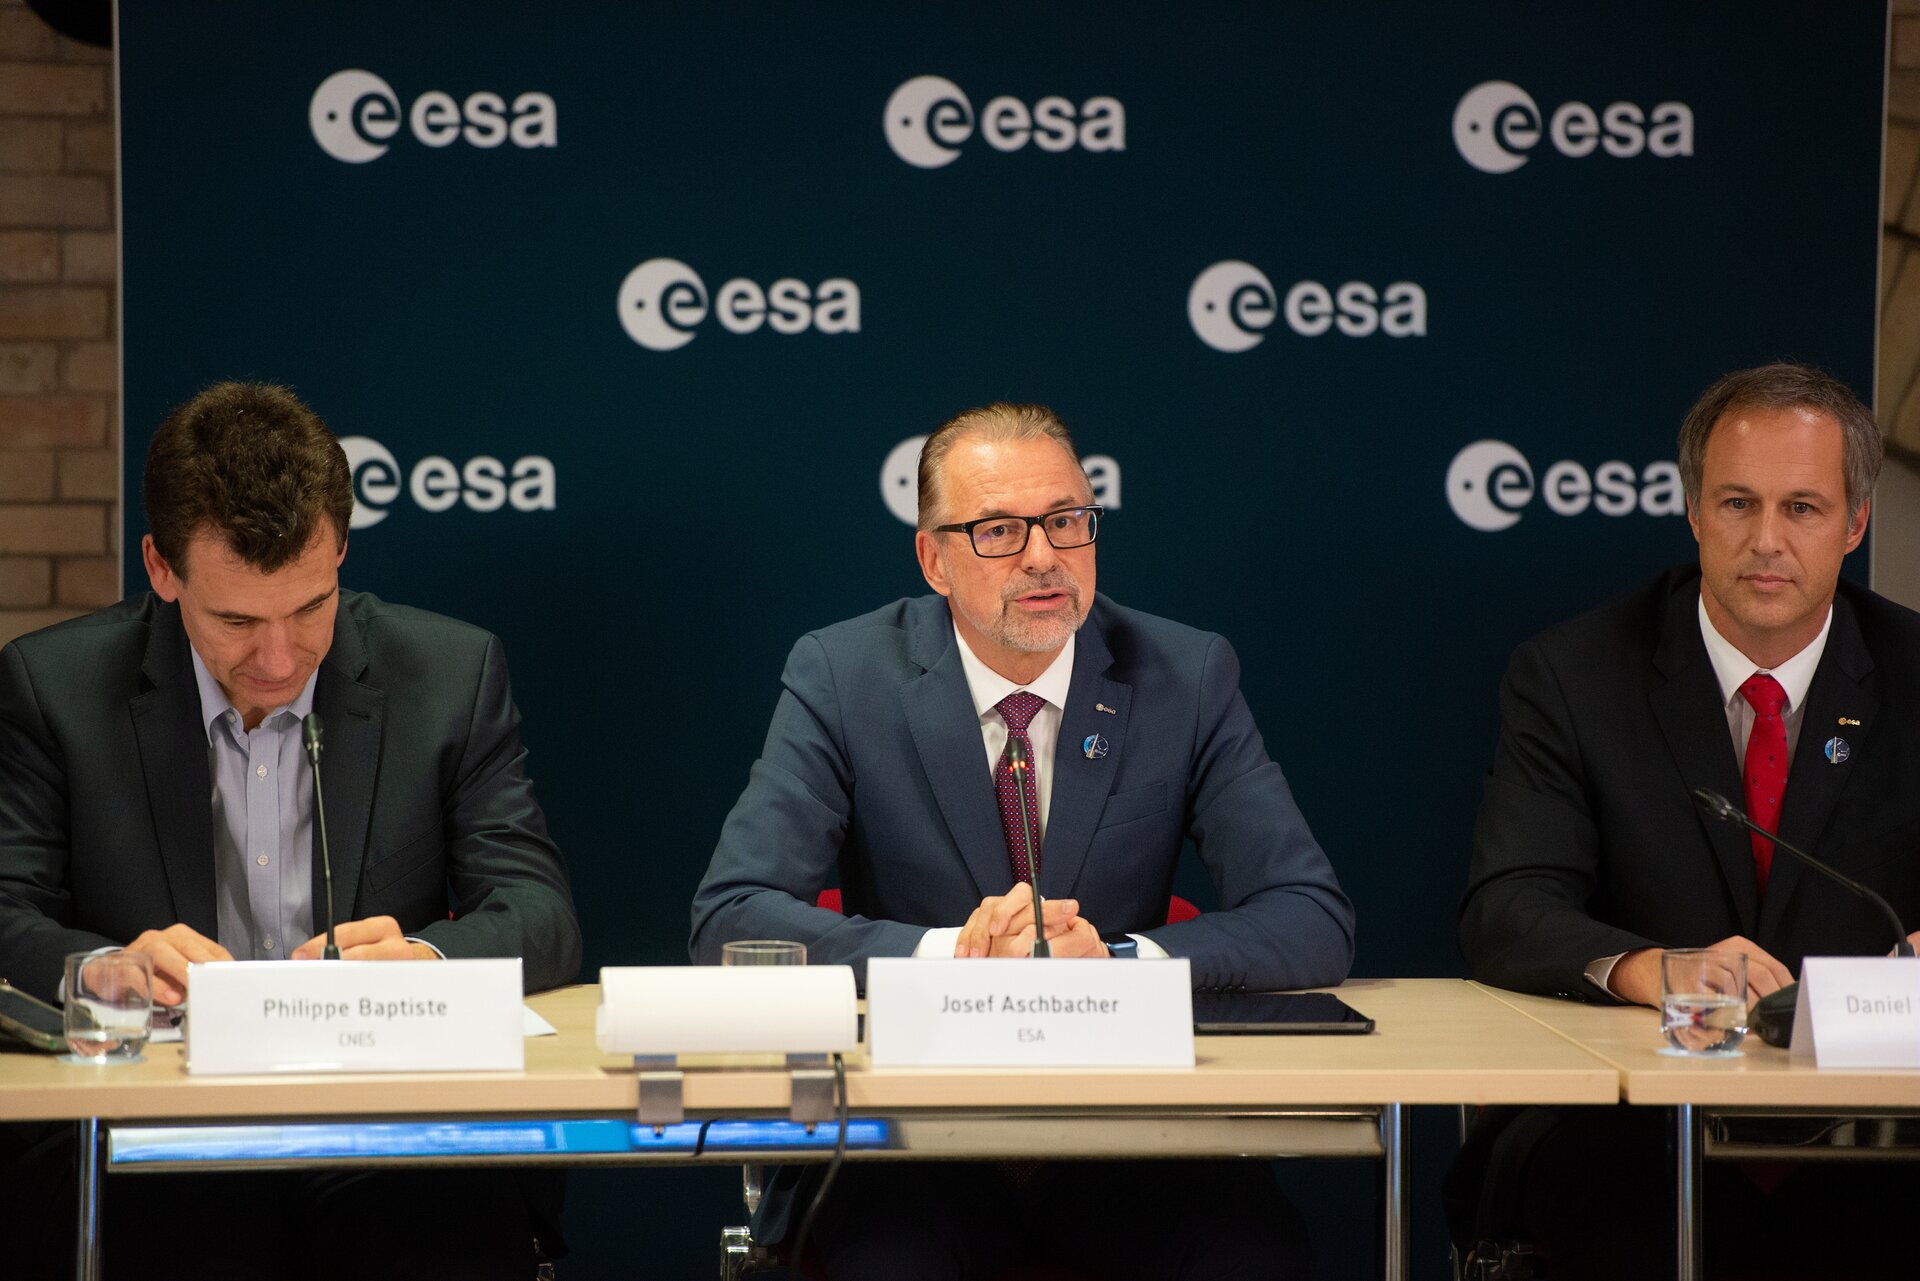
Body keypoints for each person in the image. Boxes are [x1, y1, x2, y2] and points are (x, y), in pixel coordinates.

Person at [691, 402, 1354, 1279]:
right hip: (914, 1138)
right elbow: (731, 917)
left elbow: (1311, 914)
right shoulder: (844, 676)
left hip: (1130, 1133)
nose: (1044, 556)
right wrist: (949, 957)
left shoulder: (1184, 673)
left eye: (1067, 521)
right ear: (934, 558)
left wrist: (1118, 960)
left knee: (1251, 1252)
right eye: (999, 530)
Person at [0, 382, 581, 1280]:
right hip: (161, 1135)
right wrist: (102, 966)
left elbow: (540, 915)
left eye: (310, 608)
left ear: (341, 551)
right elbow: (7, 914)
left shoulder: (449, 674)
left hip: (383, 1136)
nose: (277, 660)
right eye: (236, 620)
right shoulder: (54, 689)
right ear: (161, 570)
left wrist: (423, 964)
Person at [1454, 362, 1920, 1279]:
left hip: (1879, 1127)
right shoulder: (1573, 674)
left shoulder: (1916, 672)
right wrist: (1655, 968)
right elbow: (1508, 907)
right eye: (1738, 503)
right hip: (1634, 1130)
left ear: (1856, 523)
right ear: (1695, 511)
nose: (1766, 541)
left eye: (1803, 508)